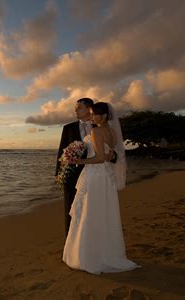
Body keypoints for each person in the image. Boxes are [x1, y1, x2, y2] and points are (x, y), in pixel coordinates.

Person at [62, 102, 139, 274]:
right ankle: (106, 253)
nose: (91, 117)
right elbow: (111, 155)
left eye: (94, 114)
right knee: (103, 213)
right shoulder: (111, 131)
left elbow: (100, 158)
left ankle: (88, 256)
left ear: (103, 116)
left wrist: (78, 161)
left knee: (90, 213)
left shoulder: (96, 131)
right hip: (106, 177)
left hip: (95, 175)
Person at [56, 98, 94, 237]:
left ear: (89, 109)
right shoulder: (68, 128)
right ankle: (70, 239)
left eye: (79, 108)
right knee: (70, 206)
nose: (76, 110)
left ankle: (87, 236)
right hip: (71, 173)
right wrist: (59, 173)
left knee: (89, 206)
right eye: (76, 108)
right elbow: (61, 152)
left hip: (92, 173)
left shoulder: (98, 127)